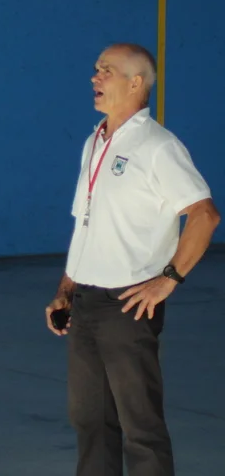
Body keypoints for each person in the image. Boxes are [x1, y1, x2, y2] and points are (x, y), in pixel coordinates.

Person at [45, 43, 220, 476]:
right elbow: (86, 224)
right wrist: (66, 289)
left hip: (128, 305)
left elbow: (204, 215)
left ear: (136, 82)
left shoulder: (158, 146)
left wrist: (169, 278)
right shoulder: (95, 141)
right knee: (90, 421)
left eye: (106, 70)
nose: (95, 77)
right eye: (96, 69)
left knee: (140, 426)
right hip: (85, 302)